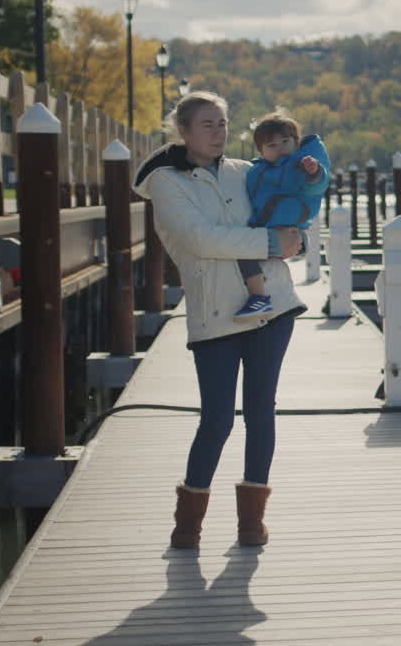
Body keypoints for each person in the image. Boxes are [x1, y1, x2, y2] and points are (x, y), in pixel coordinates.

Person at [132, 91, 306, 549]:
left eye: (223, 124)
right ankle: (188, 525)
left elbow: (287, 208)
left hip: (274, 307)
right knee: (216, 420)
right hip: (216, 317)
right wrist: (271, 242)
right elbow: (199, 239)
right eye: (207, 124)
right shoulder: (167, 183)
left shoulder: (246, 172)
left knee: (262, 412)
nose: (218, 133)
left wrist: (297, 239)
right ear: (183, 131)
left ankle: (251, 523)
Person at [233, 111, 330, 322]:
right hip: (273, 226)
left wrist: (313, 172)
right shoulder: (260, 169)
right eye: (272, 146)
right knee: (247, 249)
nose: (280, 149)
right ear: (261, 150)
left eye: (285, 142)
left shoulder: (300, 164)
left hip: (285, 222)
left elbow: (317, 186)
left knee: (244, 252)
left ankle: (258, 298)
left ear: (296, 142)